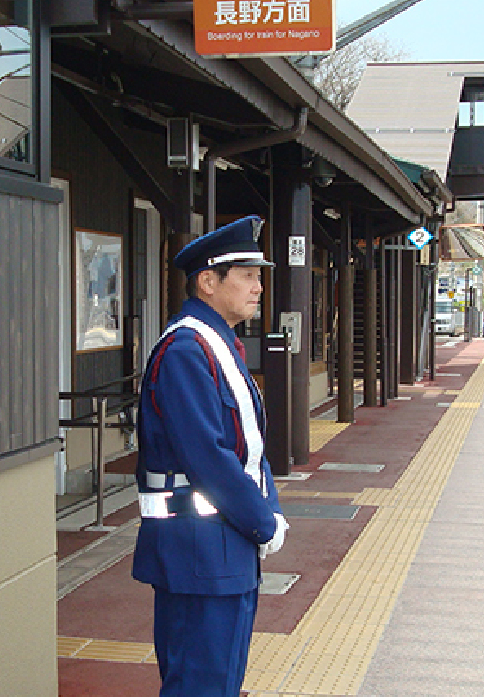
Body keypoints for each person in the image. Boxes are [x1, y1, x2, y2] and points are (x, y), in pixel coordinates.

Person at [132, 215, 287, 697]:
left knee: (219, 683)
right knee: (201, 685)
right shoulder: (186, 350)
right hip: (198, 553)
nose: (258, 287)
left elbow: (249, 450)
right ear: (208, 281)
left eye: (258, 275)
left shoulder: (215, 343)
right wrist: (263, 522)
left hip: (220, 549)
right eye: (247, 275)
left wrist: (269, 512)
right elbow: (208, 458)